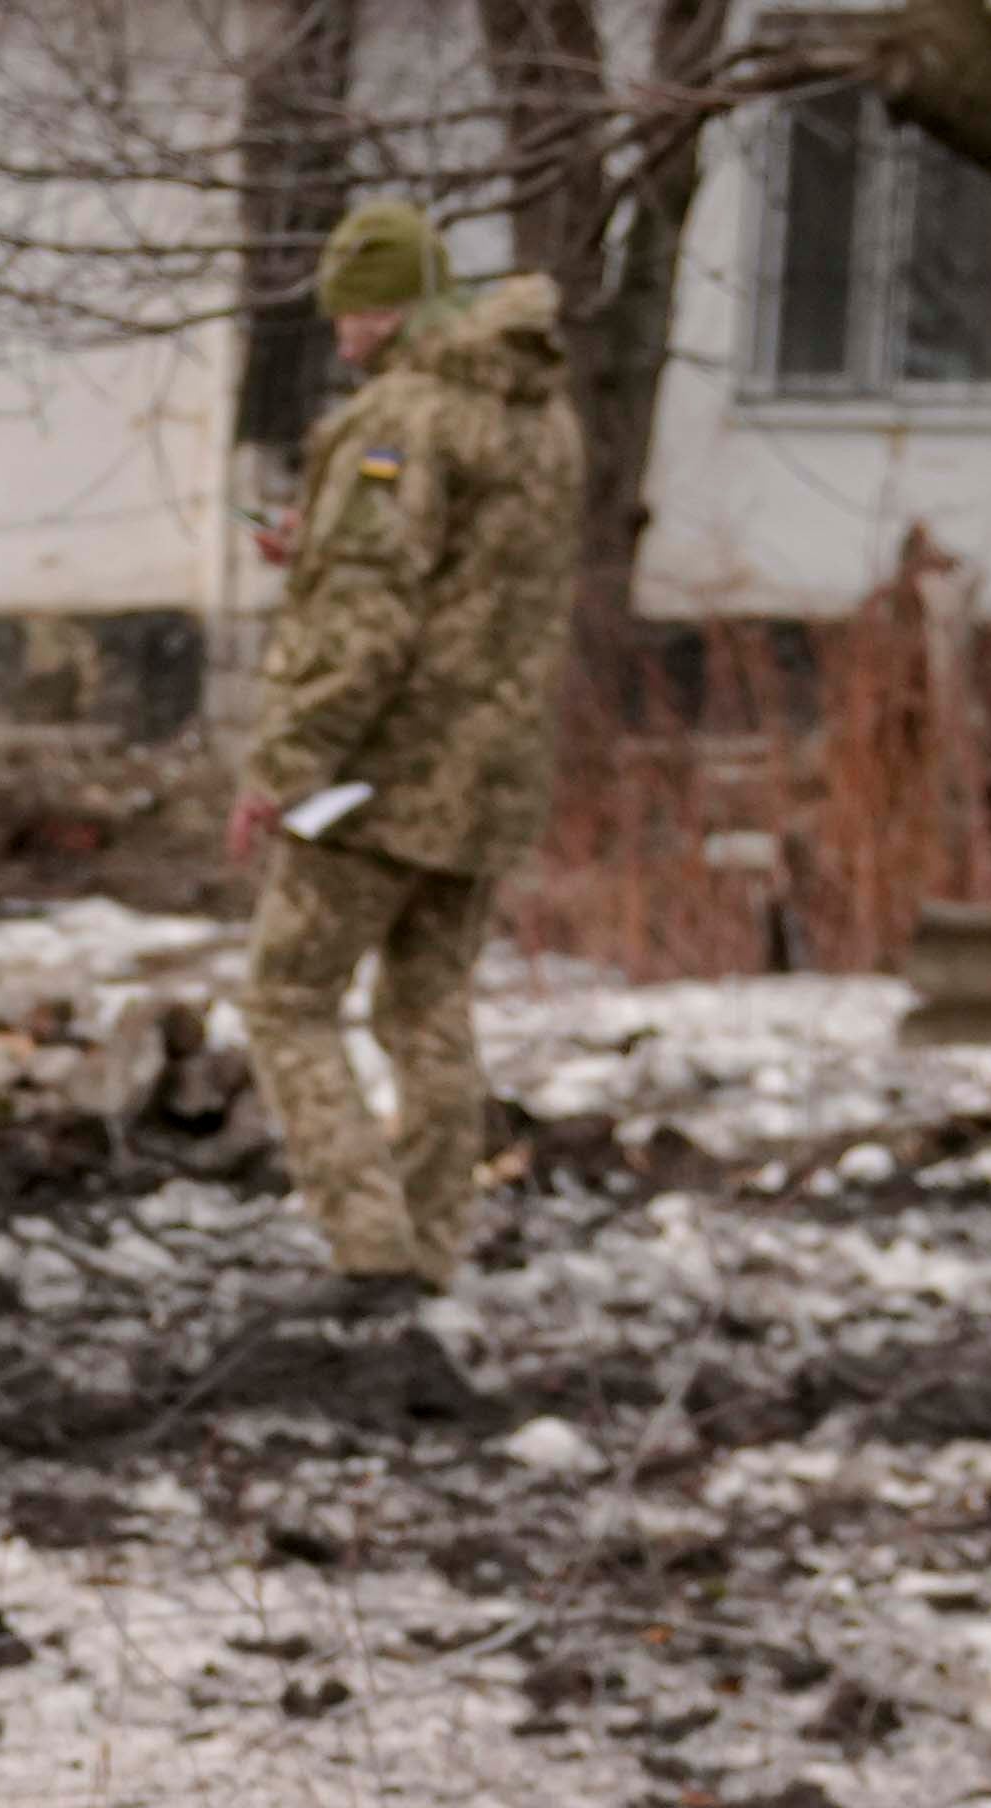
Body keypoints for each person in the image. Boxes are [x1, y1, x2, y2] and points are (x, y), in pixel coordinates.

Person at [225, 202, 584, 1304]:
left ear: (390, 307)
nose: (339, 337)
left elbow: (367, 626)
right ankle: (431, 1246)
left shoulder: (402, 419)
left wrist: (281, 765)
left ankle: (367, 1243)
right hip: (492, 767)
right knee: (426, 1002)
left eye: (349, 315)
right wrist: (319, 547)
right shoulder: (540, 415)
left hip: (382, 774)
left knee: (286, 995)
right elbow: (474, 579)